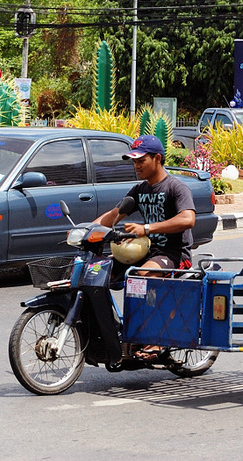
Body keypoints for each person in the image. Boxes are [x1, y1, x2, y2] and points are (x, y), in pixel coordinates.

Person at [94, 135, 196, 361]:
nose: (136, 165)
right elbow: (114, 214)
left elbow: (188, 219)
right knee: (98, 274)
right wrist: (88, 230)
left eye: (141, 160)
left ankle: (155, 339)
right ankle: (115, 331)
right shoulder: (140, 190)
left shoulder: (175, 187)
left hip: (173, 254)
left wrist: (147, 228)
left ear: (157, 158)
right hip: (146, 251)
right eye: (134, 161)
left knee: (140, 276)